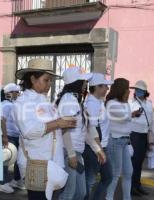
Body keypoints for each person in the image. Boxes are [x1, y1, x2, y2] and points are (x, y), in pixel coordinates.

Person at [13, 58, 76, 200]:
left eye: (50, 80)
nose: (49, 84)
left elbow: (55, 128)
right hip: (37, 163)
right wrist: (58, 123)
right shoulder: (22, 102)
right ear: (33, 79)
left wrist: (64, 124)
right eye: (46, 80)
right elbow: (29, 131)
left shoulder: (47, 102)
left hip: (53, 163)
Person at [57, 66, 103, 200]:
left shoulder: (76, 101)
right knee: (68, 193)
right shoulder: (68, 100)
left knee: (80, 192)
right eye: (83, 81)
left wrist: (97, 149)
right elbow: (64, 129)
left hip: (77, 152)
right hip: (69, 152)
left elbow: (84, 130)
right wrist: (71, 155)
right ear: (75, 83)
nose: (86, 84)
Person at [105, 78, 142, 200]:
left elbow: (127, 120)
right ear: (121, 89)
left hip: (125, 141)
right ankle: (108, 197)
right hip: (115, 140)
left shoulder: (124, 103)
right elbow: (125, 117)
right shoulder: (111, 103)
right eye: (127, 88)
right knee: (115, 174)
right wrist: (132, 114)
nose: (129, 91)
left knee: (128, 172)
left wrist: (130, 110)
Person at [83, 73, 113, 200]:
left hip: (102, 147)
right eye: (105, 86)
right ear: (97, 87)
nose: (107, 88)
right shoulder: (92, 104)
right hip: (95, 148)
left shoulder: (98, 102)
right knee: (90, 180)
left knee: (107, 177)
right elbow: (92, 129)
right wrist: (99, 150)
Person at [129, 80, 154, 196]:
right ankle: (132, 187)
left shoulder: (149, 104)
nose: (137, 91)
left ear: (145, 91)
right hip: (134, 135)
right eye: (136, 89)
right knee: (134, 162)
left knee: (140, 162)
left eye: (140, 90)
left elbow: (152, 121)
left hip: (144, 136)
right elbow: (127, 119)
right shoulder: (131, 104)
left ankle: (138, 185)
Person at [0, 83, 25, 193]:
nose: (18, 94)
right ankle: (3, 183)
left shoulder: (11, 104)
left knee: (17, 159)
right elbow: (2, 120)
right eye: (16, 92)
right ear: (10, 93)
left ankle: (17, 180)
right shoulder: (6, 105)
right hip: (9, 136)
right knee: (5, 159)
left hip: (15, 135)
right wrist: (4, 136)